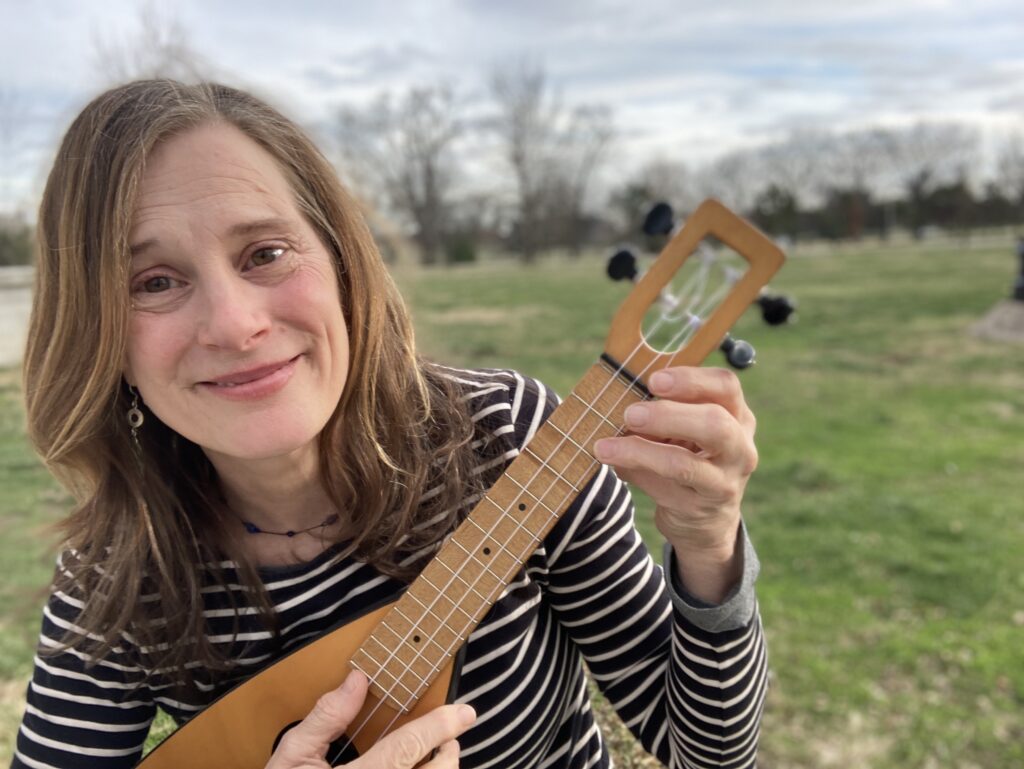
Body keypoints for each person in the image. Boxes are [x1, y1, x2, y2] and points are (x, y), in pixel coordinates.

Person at [12, 80, 768, 769]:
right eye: (155, 281)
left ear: (342, 261)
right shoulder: (115, 577)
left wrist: (709, 549)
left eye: (266, 252)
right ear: (99, 330)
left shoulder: (514, 440)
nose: (234, 324)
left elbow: (703, 751)